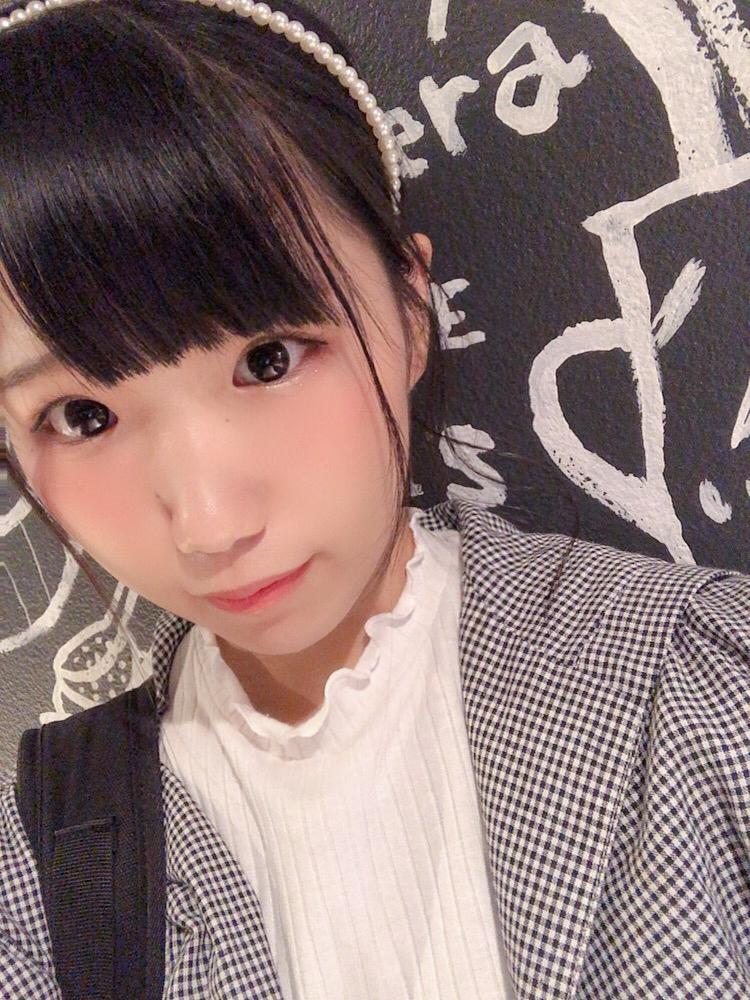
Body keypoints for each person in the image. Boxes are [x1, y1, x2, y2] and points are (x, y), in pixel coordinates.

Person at [0, 1, 748, 998]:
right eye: (82, 416)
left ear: (410, 307)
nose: (212, 524)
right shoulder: (41, 865)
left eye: (270, 358)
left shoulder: (704, 679)